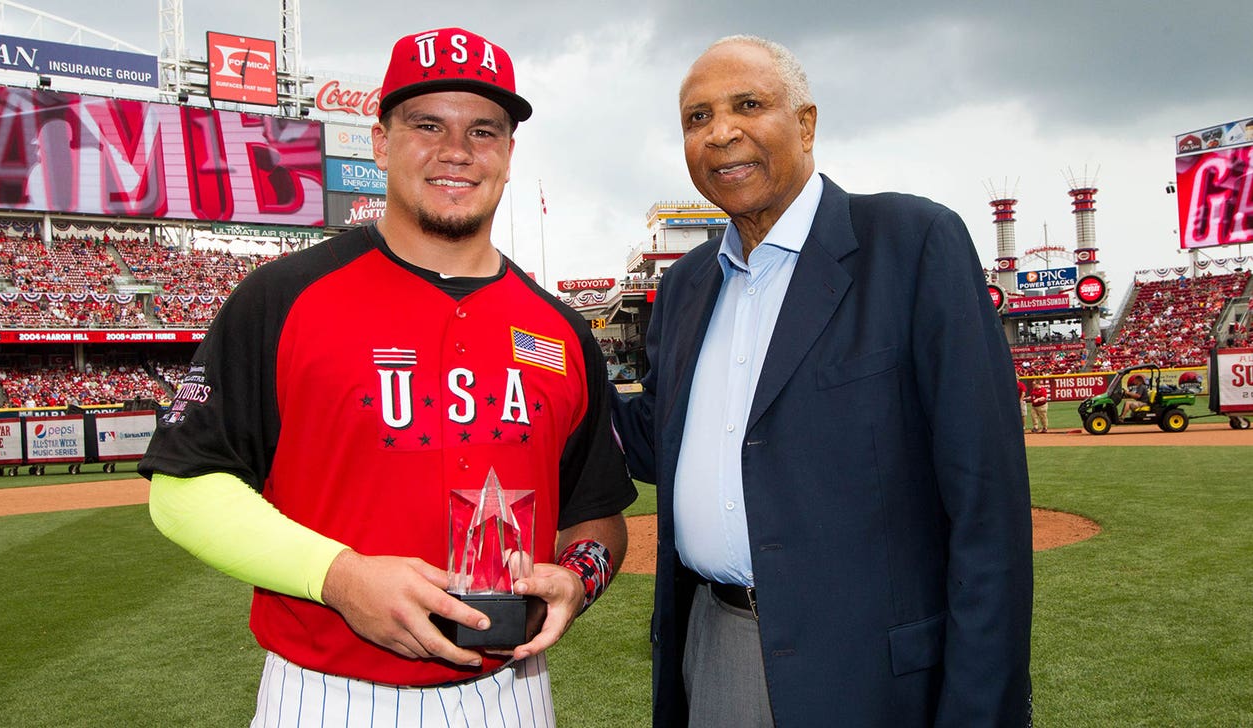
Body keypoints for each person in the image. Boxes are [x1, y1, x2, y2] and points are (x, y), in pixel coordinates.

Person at [139, 26, 635, 726]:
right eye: (427, 124)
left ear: (509, 153)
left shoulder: (560, 330)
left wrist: (578, 579)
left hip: (515, 694)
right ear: (379, 142)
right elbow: (183, 490)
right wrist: (339, 578)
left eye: (484, 131)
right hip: (328, 696)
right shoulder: (283, 297)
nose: (456, 151)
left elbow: (598, 515)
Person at [612, 35, 1032, 727]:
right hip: (718, 644)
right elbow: (659, 440)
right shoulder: (686, 286)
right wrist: (542, 350)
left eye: (748, 104)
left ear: (806, 123)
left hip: (870, 672)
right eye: (697, 118)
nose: (721, 132)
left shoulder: (911, 243)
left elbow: (986, 509)